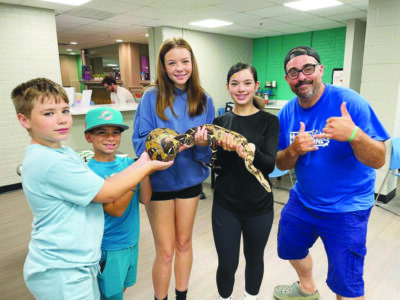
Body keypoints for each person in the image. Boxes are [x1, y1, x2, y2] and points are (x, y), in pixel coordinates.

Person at [11, 78, 172, 300]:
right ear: (24, 119)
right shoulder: (49, 162)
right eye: (48, 113)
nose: (61, 120)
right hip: (62, 268)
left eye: (65, 110)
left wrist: (140, 165)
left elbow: (114, 186)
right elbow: (107, 193)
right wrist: (144, 167)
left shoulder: (63, 153)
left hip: (80, 260)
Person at [273, 46, 390, 300]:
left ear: (320, 70)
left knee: (345, 285)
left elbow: (379, 159)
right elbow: (280, 164)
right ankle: (307, 288)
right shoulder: (287, 113)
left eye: (307, 69)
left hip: (347, 207)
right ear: (287, 79)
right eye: (293, 72)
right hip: (303, 201)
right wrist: (293, 150)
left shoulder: (351, 102)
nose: (301, 77)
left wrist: (353, 135)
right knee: (288, 245)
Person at [132, 37, 215, 300]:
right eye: (172, 63)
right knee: (165, 250)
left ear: (193, 64)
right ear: (163, 67)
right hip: (160, 183)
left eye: (185, 61)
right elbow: (140, 141)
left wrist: (200, 145)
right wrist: (172, 146)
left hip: (190, 182)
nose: (180, 68)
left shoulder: (204, 99)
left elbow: (207, 152)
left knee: (184, 243)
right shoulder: (151, 97)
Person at [212, 62, 279, 300]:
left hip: (259, 206)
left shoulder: (269, 122)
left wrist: (250, 149)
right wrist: (223, 150)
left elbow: (270, 164)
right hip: (225, 205)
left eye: (247, 83)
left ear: (256, 86)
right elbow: (218, 168)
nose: (241, 89)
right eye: (235, 83)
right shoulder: (220, 122)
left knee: (254, 259)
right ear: (228, 87)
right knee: (227, 264)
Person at [84, 106, 152, 299]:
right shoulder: (89, 173)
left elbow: (145, 199)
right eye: (101, 133)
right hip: (109, 247)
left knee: (121, 289)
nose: (111, 138)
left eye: (116, 132)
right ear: (88, 137)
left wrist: (144, 169)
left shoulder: (129, 164)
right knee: (109, 295)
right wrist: (133, 176)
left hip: (131, 242)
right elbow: (115, 211)